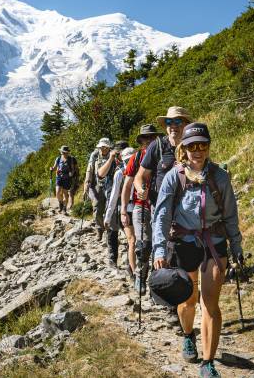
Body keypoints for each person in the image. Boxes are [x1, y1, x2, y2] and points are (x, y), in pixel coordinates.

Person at [152, 122, 243, 378]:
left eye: (203, 145)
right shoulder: (174, 176)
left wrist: (236, 246)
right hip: (183, 243)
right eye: (192, 146)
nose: (198, 150)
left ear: (208, 147)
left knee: (210, 304)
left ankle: (208, 362)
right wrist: (159, 250)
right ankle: (188, 334)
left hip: (214, 244)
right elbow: (161, 216)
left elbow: (231, 215)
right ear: (184, 148)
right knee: (188, 301)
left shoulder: (220, 176)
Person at [122, 124, 163, 291]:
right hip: (140, 206)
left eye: (152, 137)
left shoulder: (164, 155)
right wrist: (124, 209)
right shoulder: (137, 157)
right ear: (142, 141)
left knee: (159, 246)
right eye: (146, 138)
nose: (150, 140)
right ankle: (140, 275)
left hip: (160, 206)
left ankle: (156, 285)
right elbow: (127, 185)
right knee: (144, 245)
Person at [134, 106, 193, 207]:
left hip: (188, 206)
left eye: (178, 121)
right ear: (166, 126)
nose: (173, 126)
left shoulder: (193, 146)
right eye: (169, 122)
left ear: (186, 124)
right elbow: (140, 176)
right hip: (160, 204)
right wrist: (140, 189)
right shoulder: (157, 146)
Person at [104, 146, 135, 272]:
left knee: (136, 240)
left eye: (131, 160)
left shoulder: (142, 170)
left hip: (139, 208)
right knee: (132, 239)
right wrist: (108, 216)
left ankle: (132, 265)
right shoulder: (119, 173)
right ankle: (132, 269)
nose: (128, 163)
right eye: (126, 160)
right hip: (125, 209)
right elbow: (113, 196)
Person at [83, 138, 112, 239]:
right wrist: (87, 182)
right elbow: (90, 169)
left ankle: (110, 230)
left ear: (109, 147)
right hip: (97, 184)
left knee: (109, 207)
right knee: (97, 207)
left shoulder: (112, 155)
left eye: (105, 147)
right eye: (101, 147)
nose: (103, 148)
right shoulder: (95, 155)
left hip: (110, 185)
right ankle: (99, 229)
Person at [49, 145, 75, 214]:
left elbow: (72, 169)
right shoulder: (58, 158)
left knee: (65, 194)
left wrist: (71, 174)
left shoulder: (70, 159)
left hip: (67, 178)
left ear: (67, 152)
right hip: (59, 177)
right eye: (63, 152)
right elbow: (55, 167)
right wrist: (52, 169)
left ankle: (64, 208)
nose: (64, 153)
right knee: (57, 192)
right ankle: (61, 204)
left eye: (65, 152)